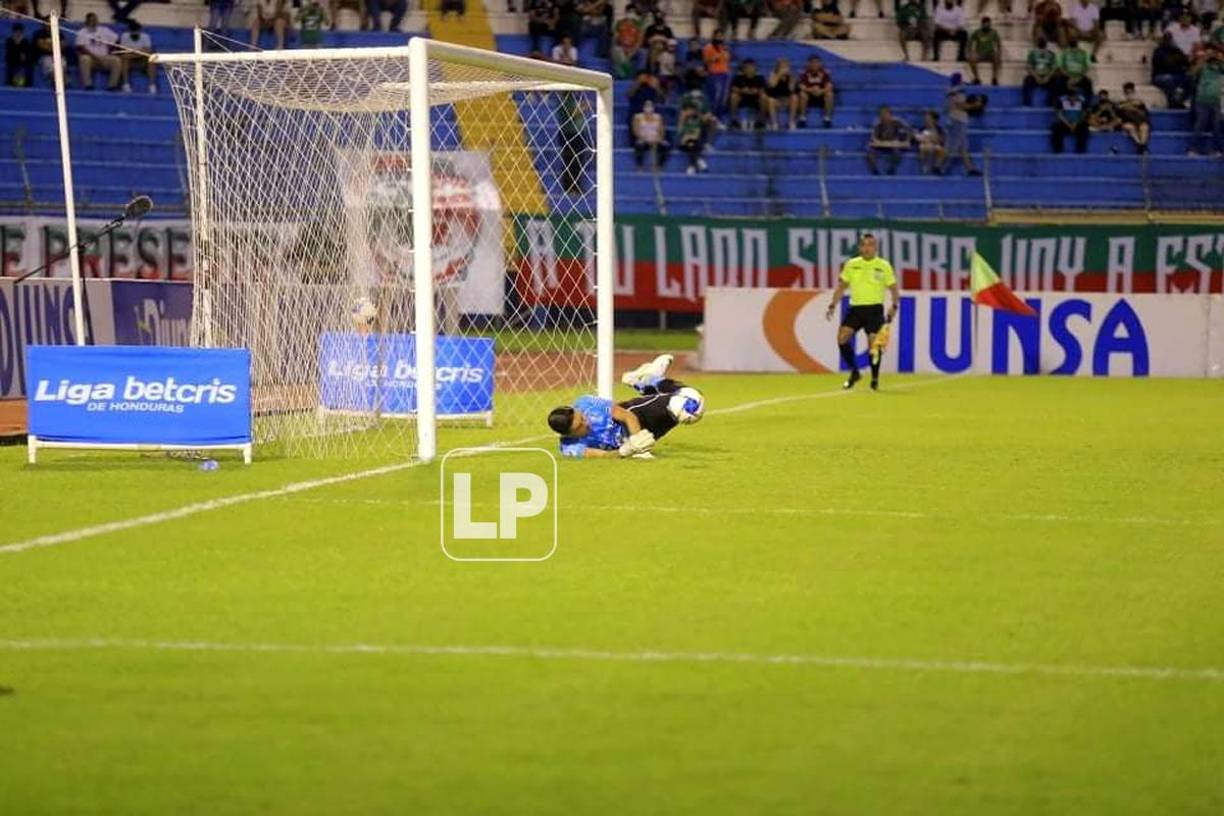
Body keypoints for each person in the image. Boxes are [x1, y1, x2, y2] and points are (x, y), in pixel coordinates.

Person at [548, 355, 703, 459]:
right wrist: (626, 450)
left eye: (582, 417)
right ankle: (645, 383)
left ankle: (653, 380)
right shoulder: (570, 447)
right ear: (568, 434)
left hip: (637, 415)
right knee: (686, 412)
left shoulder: (585, 403)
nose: (586, 422)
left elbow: (625, 415)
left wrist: (638, 441)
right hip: (639, 437)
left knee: (691, 406)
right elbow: (603, 456)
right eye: (580, 426)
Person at [825, 233, 900, 391]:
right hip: (856, 308)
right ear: (859, 248)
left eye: (870, 244)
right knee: (842, 338)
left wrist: (894, 306)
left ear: (876, 248)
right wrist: (832, 305)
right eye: (864, 245)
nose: (867, 248)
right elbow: (841, 286)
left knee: (873, 345)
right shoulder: (851, 264)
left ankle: (874, 379)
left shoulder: (883, 265)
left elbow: (893, 288)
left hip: (874, 309)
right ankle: (855, 372)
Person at [1188, 45, 1223, 155]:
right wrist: (1203, 59)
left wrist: (1220, 58)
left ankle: (1217, 150)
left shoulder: (1220, 68)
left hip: (1216, 101)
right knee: (1200, 124)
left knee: (1217, 127)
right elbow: (1192, 73)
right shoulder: (1203, 67)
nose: (1213, 56)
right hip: (1202, 101)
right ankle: (1192, 149)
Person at [945, 73, 982, 174]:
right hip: (958, 120)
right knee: (952, 146)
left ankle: (970, 169)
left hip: (955, 119)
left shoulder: (950, 91)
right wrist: (975, 105)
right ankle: (939, 167)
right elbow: (961, 106)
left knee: (963, 147)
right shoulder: (958, 92)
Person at [75, 13, 120, 90]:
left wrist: (110, 50)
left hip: (104, 57)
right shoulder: (82, 32)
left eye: (95, 20)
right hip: (91, 59)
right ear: (87, 22)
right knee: (84, 59)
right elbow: (81, 48)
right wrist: (96, 58)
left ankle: (112, 86)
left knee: (116, 60)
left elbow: (117, 40)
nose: (94, 22)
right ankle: (88, 85)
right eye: (91, 20)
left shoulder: (104, 30)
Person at [866, 105, 911, 175]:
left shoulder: (897, 122)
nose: (884, 116)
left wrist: (906, 141)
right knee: (870, 153)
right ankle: (875, 172)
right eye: (881, 114)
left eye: (886, 113)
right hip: (881, 146)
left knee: (897, 153)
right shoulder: (877, 124)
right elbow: (874, 139)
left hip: (893, 146)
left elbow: (909, 130)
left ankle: (892, 169)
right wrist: (881, 143)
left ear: (890, 114)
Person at [1152, 30, 1193, 106]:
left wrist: (1177, 58)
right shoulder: (1158, 51)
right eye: (1166, 39)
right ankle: (1173, 103)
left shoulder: (1177, 50)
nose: (1168, 41)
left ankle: (1182, 100)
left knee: (1190, 79)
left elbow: (1186, 62)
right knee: (1168, 80)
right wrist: (1177, 59)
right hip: (1160, 75)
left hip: (1176, 74)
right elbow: (1166, 62)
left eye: (1169, 39)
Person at [116, 19, 155, 94]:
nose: (134, 33)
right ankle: (126, 84)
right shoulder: (124, 36)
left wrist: (134, 54)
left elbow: (148, 51)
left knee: (151, 60)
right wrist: (139, 53)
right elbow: (123, 52)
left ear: (139, 30)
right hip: (129, 60)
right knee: (124, 59)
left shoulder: (145, 37)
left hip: (142, 60)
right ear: (129, 31)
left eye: (136, 31)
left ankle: (152, 85)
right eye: (133, 31)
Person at [796, 54, 835, 127]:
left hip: (821, 96)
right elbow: (801, 87)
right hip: (809, 96)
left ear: (820, 64)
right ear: (809, 64)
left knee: (830, 94)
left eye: (817, 62)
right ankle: (802, 119)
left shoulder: (825, 73)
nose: (815, 64)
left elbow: (830, 86)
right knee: (802, 94)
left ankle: (827, 119)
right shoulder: (804, 74)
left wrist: (821, 91)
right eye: (812, 62)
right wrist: (811, 90)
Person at [1053, 35, 1094, 99]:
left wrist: (1078, 77)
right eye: (1071, 39)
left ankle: (1088, 103)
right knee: (1057, 82)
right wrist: (1070, 77)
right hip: (1066, 76)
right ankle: (1059, 102)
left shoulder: (1083, 53)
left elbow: (1087, 67)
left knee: (1088, 82)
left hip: (1079, 76)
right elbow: (1061, 68)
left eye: (1074, 39)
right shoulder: (1063, 53)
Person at [729, 58, 766, 129]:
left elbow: (763, 90)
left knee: (764, 97)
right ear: (743, 69)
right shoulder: (738, 77)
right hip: (742, 98)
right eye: (747, 67)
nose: (750, 69)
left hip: (755, 98)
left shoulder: (760, 77)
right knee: (733, 96)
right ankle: (734, 121)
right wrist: (741, 90)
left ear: (755, 68)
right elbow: (733, 88)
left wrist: (756, 91)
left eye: (752, 67)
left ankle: (761, 121)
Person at [702, 31, 733, 115]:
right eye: (717, 36)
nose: (719, 38)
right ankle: (713, 114)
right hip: (714, 75)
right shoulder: (708, 47)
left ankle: (720, 115)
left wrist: (728, 71)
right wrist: (714, 58)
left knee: (723, 97)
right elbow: (705, 61)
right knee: (715, 96)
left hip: (725, 74)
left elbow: (727, 60)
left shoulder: (725, 47)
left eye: (721, 36)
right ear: (714, 37)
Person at [632, 99, 670, 167]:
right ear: (643, 107)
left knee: (666, 146)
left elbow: (662, 131)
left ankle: (659, 165)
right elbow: (635, 131)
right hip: (643, 139)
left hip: (656, 139)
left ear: (653, 107)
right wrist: (644, 138)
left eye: (650, 106)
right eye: (647, 106)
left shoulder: (658, 117)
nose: (648, 108)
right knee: (639, 145)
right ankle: (639, 165)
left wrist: (659, 139)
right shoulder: (637, 117)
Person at [1051, 86, 1090, 153]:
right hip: (1066, 123)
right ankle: (1058, 149)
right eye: (1071, 97)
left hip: (1077, 123)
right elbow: (1059, 114)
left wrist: (1076, 123)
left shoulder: (1082, 100)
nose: (1072, 99)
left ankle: (1080, 149)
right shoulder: (1061, 100)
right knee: (1055, 127)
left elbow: (1084, 114)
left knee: (1085, 127)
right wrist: (1069, 124)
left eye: (1074, 97)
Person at [1023, 35, 1059, 106]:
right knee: (1027, 80)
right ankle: (1027, 103)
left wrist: (1048, 77)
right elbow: (1028, 67)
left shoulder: (1051, 54)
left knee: (1057, 81)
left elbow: (1054, 68)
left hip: (1047, 77)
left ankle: (1052, 102)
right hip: (1035, 76)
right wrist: (1036, 77)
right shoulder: (1032, 54)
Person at [967, 16, 1002, 85]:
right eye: (985, 24)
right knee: (971, 59)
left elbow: (998, 43)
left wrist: (999, 52)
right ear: (982, 24)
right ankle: (977, 78)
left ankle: (994, 78)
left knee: (997, 57)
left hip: (990, 53)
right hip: (980, 53)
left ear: (990, 24)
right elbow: (970, 42)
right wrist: (970, 52)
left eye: (988, 24)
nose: (986, 26)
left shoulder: (993, 32)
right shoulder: (977, 32)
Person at [1116, 82, 1151, 152]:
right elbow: (1118, 116)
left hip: (1140, 122)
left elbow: (1145, 114)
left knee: (1145, 127)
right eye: (1127, 93)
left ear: (1134, 92)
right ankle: (1139, 144)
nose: (1129, 95)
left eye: (1131, 93)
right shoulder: (1120, 104)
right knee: (1130, 127)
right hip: (1127, 122)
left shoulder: (1140, 103)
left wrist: (1135, 109)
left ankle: (1142, 145)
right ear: (1124, 94)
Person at [610, 8, 644, 78]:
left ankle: (638, 74)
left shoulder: (638, 25)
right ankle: (621, 74)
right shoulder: (620, 23)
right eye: (629, 11)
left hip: (634, 48)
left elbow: (640, 40)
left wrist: (633, 51)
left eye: (632, 12)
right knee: (616, 50)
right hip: (621, 47)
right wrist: (623, 48)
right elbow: (615, 38)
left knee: (643, 52)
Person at [763, 56, 795, 130]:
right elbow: (772, 85)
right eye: (782, 66)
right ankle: (774, 123)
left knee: (794, 97)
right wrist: (779, 75)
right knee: (770, 100)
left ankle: (791, 121)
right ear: (778, 67)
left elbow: (791, 89)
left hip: (786, 100)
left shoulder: (791, 76)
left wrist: (791, 80)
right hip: (775, 100)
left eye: (786, 66)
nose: (784, 68)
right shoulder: (772, 74)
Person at [676, 104, 710, 174]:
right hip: (684, 141)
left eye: (692, 110)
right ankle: (698, 160)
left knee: (692, 144)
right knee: (690, 144)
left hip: (695, 141)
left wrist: (691, 137)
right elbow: (681, 132)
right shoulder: (684, 121)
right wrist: (682, 119)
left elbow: (698, 133)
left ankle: (692, 166)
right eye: (689, 110)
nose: (690, 112)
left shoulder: (699, 121)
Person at [4, 23, 35, 89]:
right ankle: (10, 83)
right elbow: (10, 52)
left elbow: (27, 53)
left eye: (20, 32)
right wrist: (17, 44)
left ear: (22, 32)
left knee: (29, 66)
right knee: (10, 65)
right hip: (12, 60)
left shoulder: (25, 41)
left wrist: (24, 57)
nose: (18, 34)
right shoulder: (9, 41)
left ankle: (27, 84)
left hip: (24, 62)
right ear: (13, 32)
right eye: (16, 32)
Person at [916, 109, 947, 174]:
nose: (926, 120)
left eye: (929, 118)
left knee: (943, 151)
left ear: (934, 120)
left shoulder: (939, 129)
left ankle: (937, 166)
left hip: (935, 145)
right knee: (922, 148)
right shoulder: (922, 129)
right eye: (925, 118)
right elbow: (919, 139)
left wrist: (934, 133)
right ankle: (924, 166)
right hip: (925, 146)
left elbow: (942, 140)